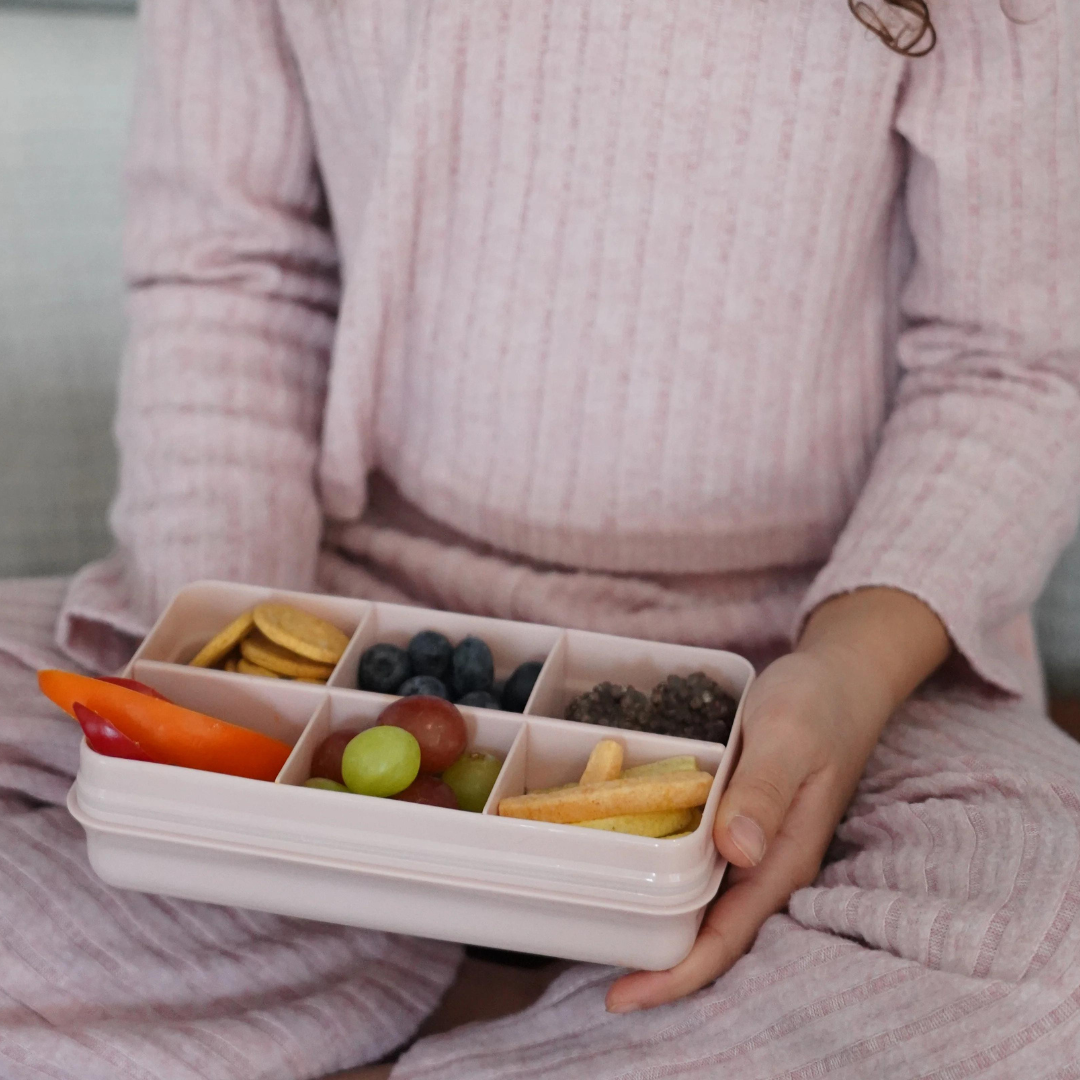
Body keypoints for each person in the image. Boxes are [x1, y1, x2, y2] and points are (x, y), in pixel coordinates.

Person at [2, 0, 1079, 1075]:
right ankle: (517, 995)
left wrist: (850, 673)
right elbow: (236, 273)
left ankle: (429, 1003)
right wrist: (230, 684)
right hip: (355, 599)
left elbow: (1013, 360)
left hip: (808, 662)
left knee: (1046, 968)